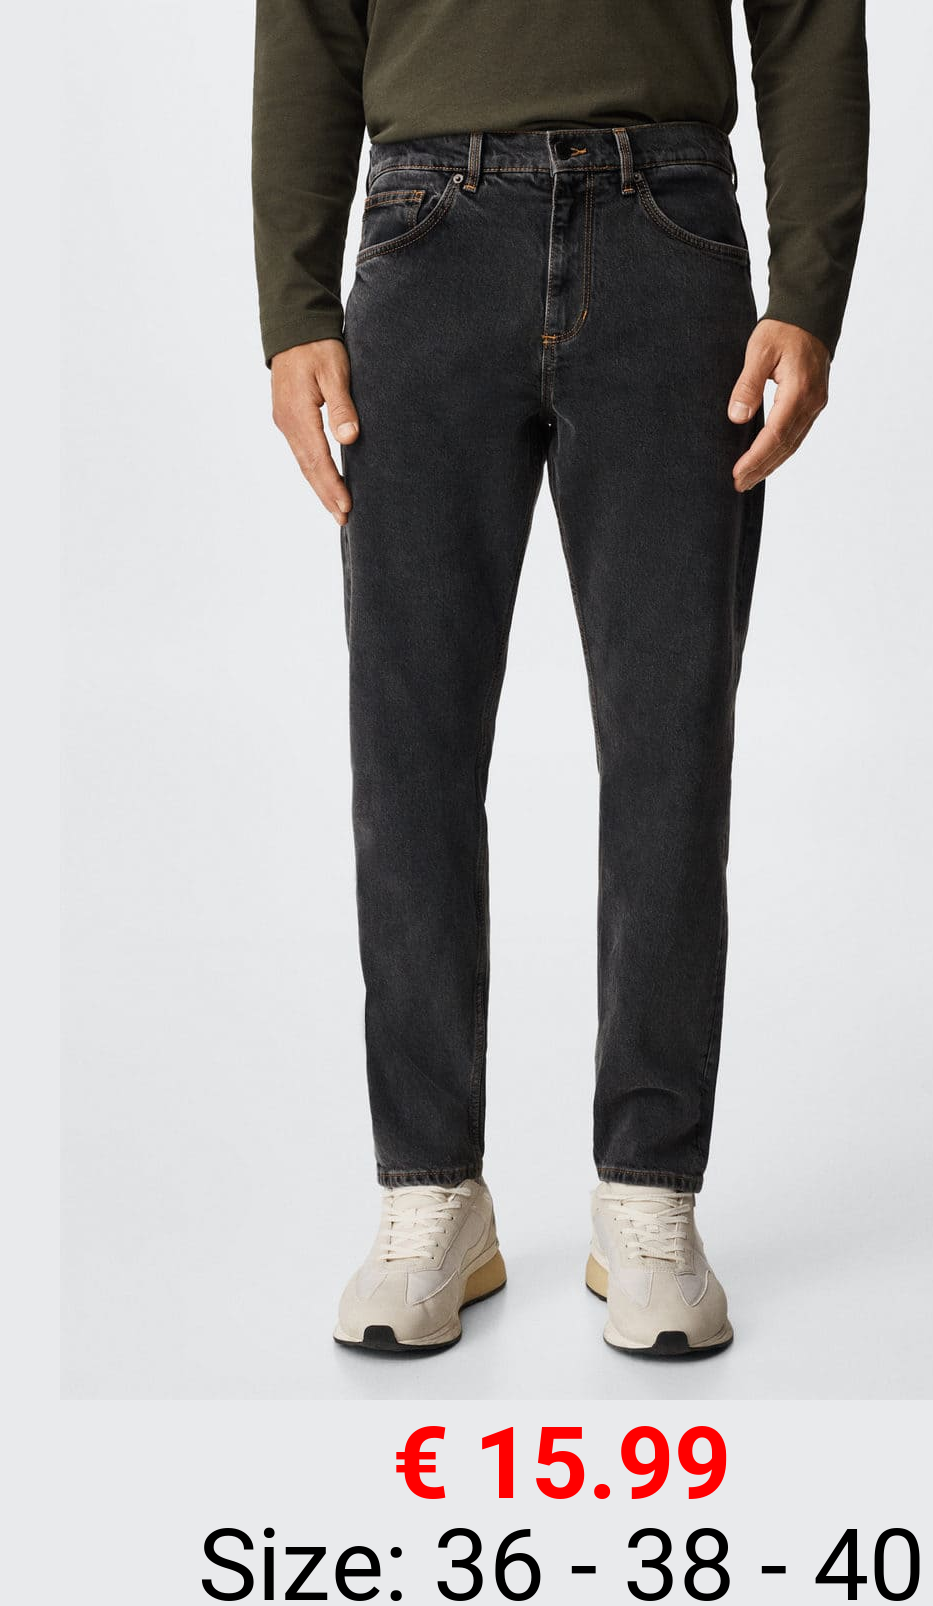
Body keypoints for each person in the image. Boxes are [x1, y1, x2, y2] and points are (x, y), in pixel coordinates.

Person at [253, 0, 869, 1357]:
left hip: (670, 229)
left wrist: (809, 288)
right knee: (409, 743)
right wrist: (291, 301)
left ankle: (648, 1191)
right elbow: (307, 18)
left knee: (670, 741)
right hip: (423, 231)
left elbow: (811, 18)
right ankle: (430, 1189)